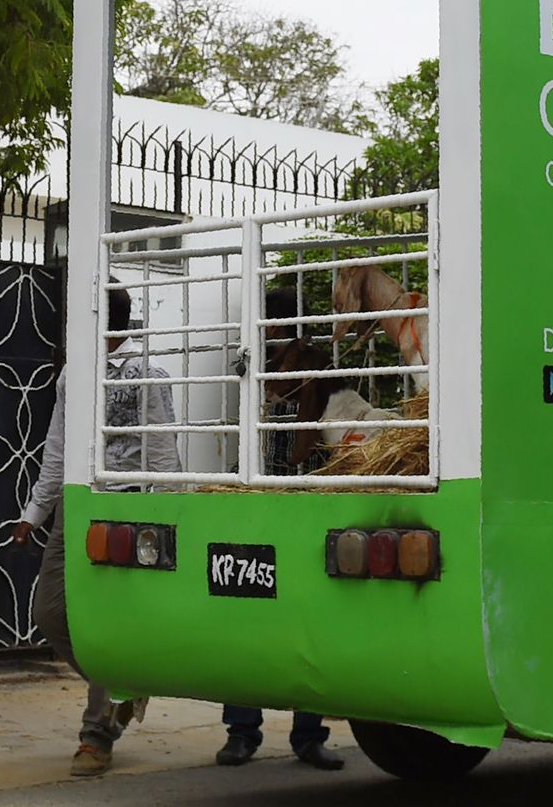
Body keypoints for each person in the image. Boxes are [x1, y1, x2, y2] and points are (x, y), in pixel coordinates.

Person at [13, 285, 181, 777]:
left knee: (107, 620)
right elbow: (58, 444)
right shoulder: (74, 372)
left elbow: (163, 450)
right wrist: (35, 511)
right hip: (75, 502)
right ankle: (128, 683)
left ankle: (97, 733)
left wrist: (164, 519)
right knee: (50, 612)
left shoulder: (146, 373)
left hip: (127, 502)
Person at [216, 287, 345, 771]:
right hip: (262, 503)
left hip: (307, 501)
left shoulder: (313, 361)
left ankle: (304, 734)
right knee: (248, 623)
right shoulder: (252, 364)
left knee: (305, 622)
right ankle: (245, 732)